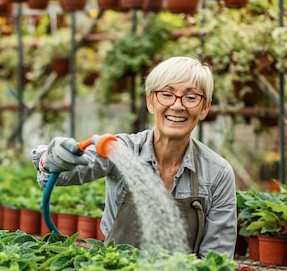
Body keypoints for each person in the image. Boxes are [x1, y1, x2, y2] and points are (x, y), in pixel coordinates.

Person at [30, 56, 237, 258]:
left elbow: (216, 261)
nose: (177, 105)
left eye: (191, 97)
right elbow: (64, 173)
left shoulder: (217, 173)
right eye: (166, 94)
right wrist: (49, 160)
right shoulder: (121, 149)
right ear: (150, 102)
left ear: (204, 109)